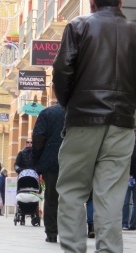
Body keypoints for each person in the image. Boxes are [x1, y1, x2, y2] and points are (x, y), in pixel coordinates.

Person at [52, 1, 136, 251]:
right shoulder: (134, 30)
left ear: (91, 3)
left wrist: (69, 104)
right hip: (121, 122)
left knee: (72, 190)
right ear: (121, 2)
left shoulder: (78, 26)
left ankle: (73, 248)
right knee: (111, 195)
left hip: (83, 120)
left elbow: (61, 70)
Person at [31, 103, 65, 243]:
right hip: (74, 160)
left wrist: (37, 159)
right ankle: (70, 231)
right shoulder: (79, 109)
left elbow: (38, 138)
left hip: (51, 161)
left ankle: (51, 232)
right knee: (72, 198)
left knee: (51, 198)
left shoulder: (47, 113)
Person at [122, 129, 136, 230]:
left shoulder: (126, 147)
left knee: (128, 202)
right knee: (126, 202)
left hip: (129, 177)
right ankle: (126, 223)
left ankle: (130, 224)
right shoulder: (127, 147)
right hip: (127, 177)